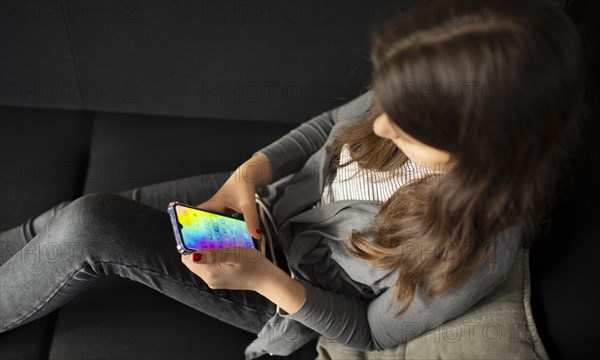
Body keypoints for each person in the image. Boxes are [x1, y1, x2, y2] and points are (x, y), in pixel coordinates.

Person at [0, 0, 585, 358]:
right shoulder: (433, 86)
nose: (379, 123)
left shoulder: (475, 251)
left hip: (283, 290)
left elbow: (371, 333)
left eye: (406, 129)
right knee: (61, 224)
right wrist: (247, 176)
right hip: (268, 208)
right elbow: (333, 122)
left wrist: (259, 279)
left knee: (86, 227)